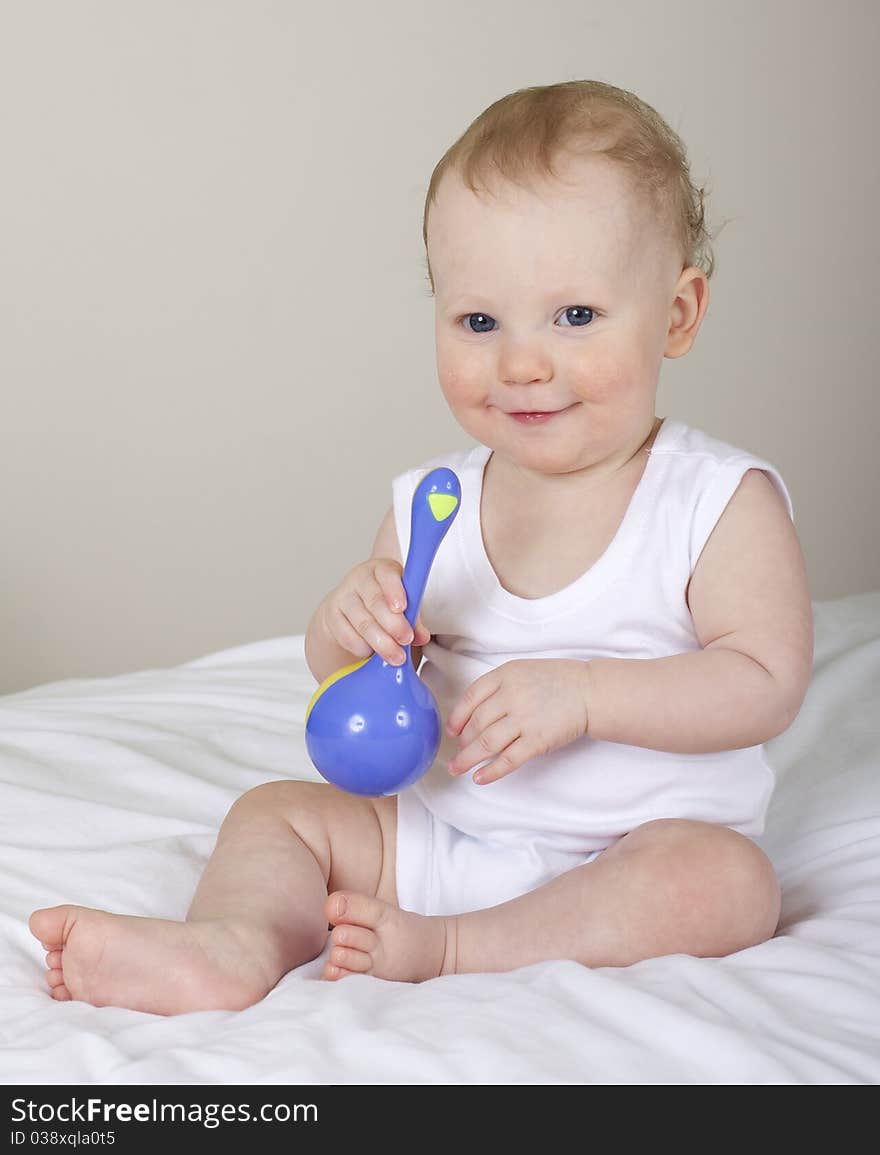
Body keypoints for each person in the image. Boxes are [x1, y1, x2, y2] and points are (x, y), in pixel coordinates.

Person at [29, 80, 813, 1014]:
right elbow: (352, 676)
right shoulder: (432, 503)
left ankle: (455, 949)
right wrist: (345, 625)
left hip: (631, 847)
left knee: (728, 883)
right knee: (275, 814)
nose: (521, 362)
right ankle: (231, 945)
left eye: (575, 317)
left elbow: (765, 679)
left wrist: (588, 693)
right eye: (479, 321)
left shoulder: (715, 500)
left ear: (678, 313)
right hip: (441, 832)